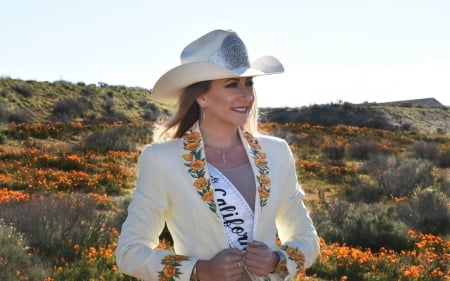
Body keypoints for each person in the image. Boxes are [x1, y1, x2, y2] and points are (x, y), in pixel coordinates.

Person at [115, 29, 320, 281]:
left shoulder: (276, 153)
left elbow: (306, 237)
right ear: (201, 96)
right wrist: (201, 270)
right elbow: (129, 252)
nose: (246, 95)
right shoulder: (162, 160)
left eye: (249, 83)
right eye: (232, 85)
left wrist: (277, 261)